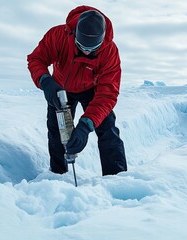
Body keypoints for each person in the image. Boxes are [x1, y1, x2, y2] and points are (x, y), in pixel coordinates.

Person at [27, 5, 127, 176]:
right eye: (81, 46)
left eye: (92, 49)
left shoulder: (110, 52)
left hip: (92, 90)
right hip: (59, 89)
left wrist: (85, 125)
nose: (86, 51)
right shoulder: (58, 36)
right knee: (57, 131)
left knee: (108, 130)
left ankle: (117, 179)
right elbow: (37, 59)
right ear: (74, 35)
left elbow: (108, 93)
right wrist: (46, 82)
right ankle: (57, 175)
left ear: (102, 40)